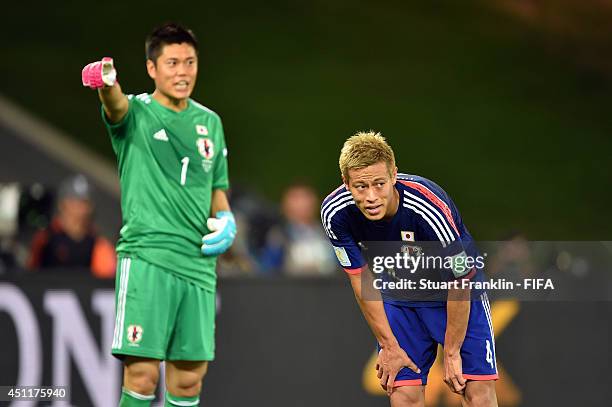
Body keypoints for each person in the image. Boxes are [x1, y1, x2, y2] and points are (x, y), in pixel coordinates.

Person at [82, 23, 236, 407]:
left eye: (190, 62)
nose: (183, 72)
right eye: (172, 63)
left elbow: (216, 186)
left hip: (198, 264)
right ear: (152, 68)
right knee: (143, 375)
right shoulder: (136, 113)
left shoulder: (210, 123)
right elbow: (114, 105)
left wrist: (227, 218)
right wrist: (106, 83)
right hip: (148, 256)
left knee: (188, 382)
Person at [321, 131, 498, 406]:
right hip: (399, 293)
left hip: (452, 291)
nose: (371, 197)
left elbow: (461, 277)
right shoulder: (335, 214)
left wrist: (451, 353)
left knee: (476, 391)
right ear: (346, 183)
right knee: (403, 393)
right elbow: (359, 279)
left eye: (379, 184)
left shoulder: (427, 206)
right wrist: (389, 346)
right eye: (360, 186)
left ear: (394, 176)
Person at [28, 174, 115, 278]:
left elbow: (106, 278)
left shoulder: (99, 245)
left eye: (85, 203)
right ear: (62, 204)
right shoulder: (45, 239)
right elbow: (31, 274)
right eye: (74, 203)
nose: (81, 210)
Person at [260, 182, 337, 276]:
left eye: (306, 197)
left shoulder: (330, 233)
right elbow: (268, 270)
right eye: (296, 199)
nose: (302, 204)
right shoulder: (279, 236)